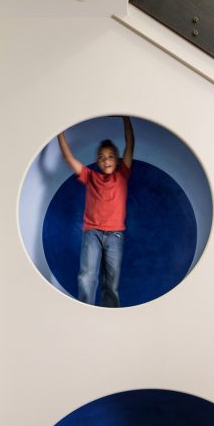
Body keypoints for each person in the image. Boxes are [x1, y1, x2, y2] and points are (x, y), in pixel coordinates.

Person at [57, 117, 134, 307]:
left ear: (116, 160)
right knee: (86, 276)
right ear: (97, 162)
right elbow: (68, 158)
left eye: (109, 156)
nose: (105, 160)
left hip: (115, 235)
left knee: (112, 282)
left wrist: (125, 118)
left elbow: (130, 143)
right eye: (101, 157)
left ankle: (110, 313)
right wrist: (59, 131)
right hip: (92, 233)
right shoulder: (90, 176)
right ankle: (86, 310)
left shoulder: (122, 174)